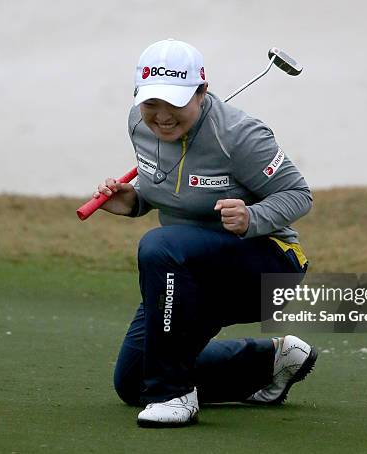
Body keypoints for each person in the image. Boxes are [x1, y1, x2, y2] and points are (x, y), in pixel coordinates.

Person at [94, 38, 317, 427]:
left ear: (202, 91)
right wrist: (135, 202)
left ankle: (175, 396)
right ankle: (270, 362)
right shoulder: (138, 124)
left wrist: (253, 216)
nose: (161, 116)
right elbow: (166, 185)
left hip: (267, 265)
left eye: (175, 103)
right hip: (183, 272)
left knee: (158, 245)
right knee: (132, 382)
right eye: (151, 103)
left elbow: (299, 195)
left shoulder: (240, 136)